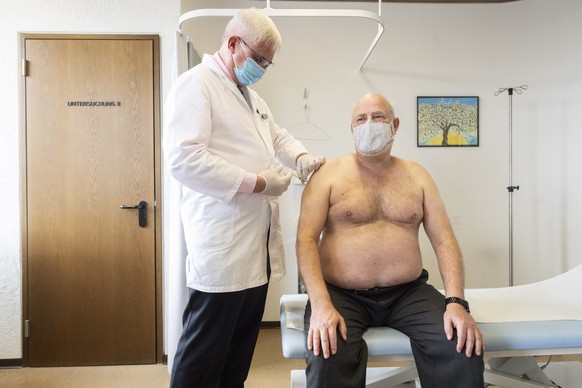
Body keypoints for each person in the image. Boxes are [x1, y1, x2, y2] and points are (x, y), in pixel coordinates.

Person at [163, 8, 325, 388]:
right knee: (203, 353)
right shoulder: (196, 84)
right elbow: (184, 158)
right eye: (258, 59)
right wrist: (257, 182)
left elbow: (278, 136)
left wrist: (300, 156)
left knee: (237, 352)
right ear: (232, 43)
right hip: (222, 250)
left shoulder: (250, 96)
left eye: (269, 63)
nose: (263, 69)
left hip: (255, 251)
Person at [296, 93, 485, 387]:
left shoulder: (418, 176)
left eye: (378, 116)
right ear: (352, 128)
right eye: (361, 118)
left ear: (395, 124)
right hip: (342, 294)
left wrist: (456, 302)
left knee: (459, 344)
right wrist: (320, 305)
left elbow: (444, 238)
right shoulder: (327, 175)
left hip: (408, 293)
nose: (369, 124)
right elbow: (305, 239)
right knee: (326, 353)